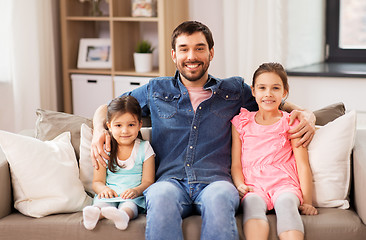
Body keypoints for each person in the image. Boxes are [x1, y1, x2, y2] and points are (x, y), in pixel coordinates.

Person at [91, 21, 316, 240]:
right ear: (173, 55)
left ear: (211, 53)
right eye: (184, 49)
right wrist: (98, 131)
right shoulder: (156, 89)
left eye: (199, 48)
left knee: (220, 198)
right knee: (158, 196)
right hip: (170, 181)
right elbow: (107, 108)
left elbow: (274, 102)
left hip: (216, 182)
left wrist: (307, 114)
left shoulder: (234, 90)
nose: (191, 56)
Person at [231, 63, 318, 240]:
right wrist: (240, 184)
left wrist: (308, 201)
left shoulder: (291, 121)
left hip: (284, 183)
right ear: (253, 91)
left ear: (284, 92)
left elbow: (302, 165)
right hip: (253, 185)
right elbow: (236, 163)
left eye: (275, 88)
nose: (268, 94)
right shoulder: (241, 122)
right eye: (262, 88)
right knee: (252, 203)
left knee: (286, 203)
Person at [83, 96, 155, 231]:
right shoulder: (105, 149)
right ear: (109, 126)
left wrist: (135, 191)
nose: (125, 131)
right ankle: (94, 215)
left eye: (131, 125)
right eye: (118, 125)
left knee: (129, 206)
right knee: (102, 204)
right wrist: (104, 190)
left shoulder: (145, 148)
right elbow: (97, 182)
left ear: (139, 125)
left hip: (132, 197)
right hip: (109, 196)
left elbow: (148, 181)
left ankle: (123, 216)